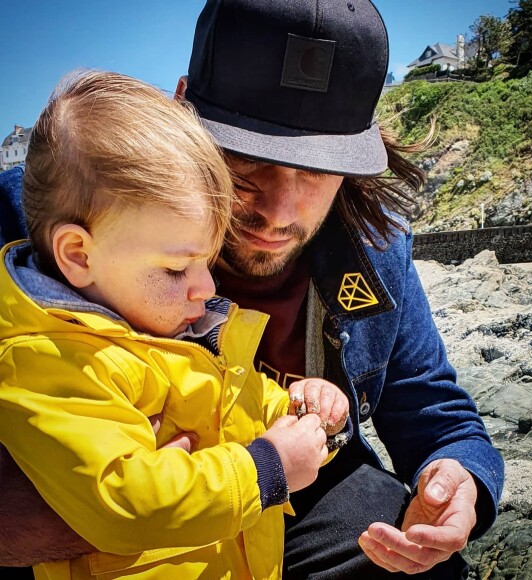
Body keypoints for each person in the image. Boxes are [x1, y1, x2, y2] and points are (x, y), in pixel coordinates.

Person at [0, 0, 505, 577]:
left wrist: (458, 479)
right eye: (247, 160)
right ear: (182, 111)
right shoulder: (43, 210)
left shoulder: (376, 247)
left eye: (316, 169)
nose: (279, 211)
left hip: (290, 502)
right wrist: (106, 509)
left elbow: (431, 407)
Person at [0, 69, 350, 580]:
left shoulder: (164, 328)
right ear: (77, 254)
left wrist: (298, 406)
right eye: (174, 268)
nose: (205, 287)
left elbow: (235, 406)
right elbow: (122, 502)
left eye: (207, 262)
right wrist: (266, 470)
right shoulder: (51, 360)